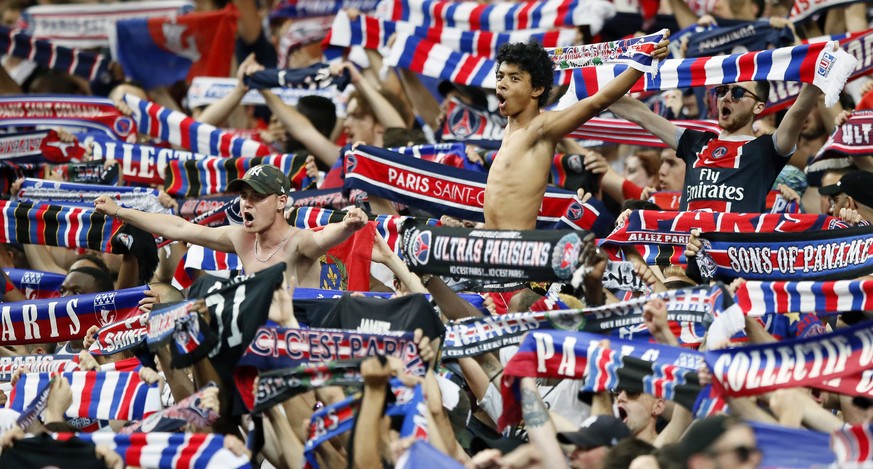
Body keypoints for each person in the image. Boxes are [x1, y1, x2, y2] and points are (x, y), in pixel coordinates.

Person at [483, 37, 670, 230]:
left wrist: (643, 62)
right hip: (488, 246)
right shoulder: (508, 130)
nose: (502, 84)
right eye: (500, 76)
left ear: (537, 89)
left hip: (516, 249)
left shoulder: (542, 127)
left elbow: (597, 102)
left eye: (514, 78)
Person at [94, 164, 368, 288]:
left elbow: (321, 240)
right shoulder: (241, 238)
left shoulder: (298, 241)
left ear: (282, 202)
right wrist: (120, 211)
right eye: (243, 196)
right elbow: (179, 228)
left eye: (257, 197)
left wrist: (348, 226)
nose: (246, 204)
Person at [609, 78, 829, 213]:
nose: (726, 98)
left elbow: (799, 109)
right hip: (689, 258)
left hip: (735, 258)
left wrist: (822, 68)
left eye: (738, 93)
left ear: (758, 107)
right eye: (722, 91)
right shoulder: (695, 142)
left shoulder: (767, 149)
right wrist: (592, 87)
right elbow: (641, 115)